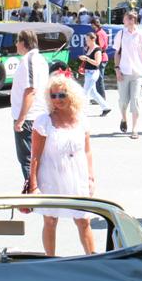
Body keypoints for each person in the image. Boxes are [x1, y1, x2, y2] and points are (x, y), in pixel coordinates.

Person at [27, 74, 97, 255]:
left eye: (62, 94)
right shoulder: (43, 121)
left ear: (71, 95)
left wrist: (90, 176)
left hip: (78, 177)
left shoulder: (82, 119)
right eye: (53, 96)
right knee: (50, 220)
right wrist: (33, 185)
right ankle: (50, 261)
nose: (57, 99)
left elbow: (87, 151)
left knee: (83, 220)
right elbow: (35, 156)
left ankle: (94, 259)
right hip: (51, 176)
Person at [10, 29, 50, 184]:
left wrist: (21, 119)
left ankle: (33, 193)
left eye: (16, 41)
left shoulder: (30, 60)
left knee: (27, 159)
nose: (15, 45)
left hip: (30, 117)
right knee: (34, 158)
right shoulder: (39, 59)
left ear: (22, 42)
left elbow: (30, 90)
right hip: (34, 115)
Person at [113, 11, 142, 138]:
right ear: (124, 20)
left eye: (132, 19)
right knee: (123, 102)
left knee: (136, 101)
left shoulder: (141, 34)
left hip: (137, 73)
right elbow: (117, 53)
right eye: (127, 18)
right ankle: (124, 119)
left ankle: (134, 129)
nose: (129, 21)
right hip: (124, 71)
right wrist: (117, 69)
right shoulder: (121, 34)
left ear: (135, 20)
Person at [76, 32, 111, 116]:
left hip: (93, 73)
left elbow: (97, 63)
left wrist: (87, 58)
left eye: (87, 40)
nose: (86, 42)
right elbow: (88, 60)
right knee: (93, 93)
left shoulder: (97, 49)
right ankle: (106, 107)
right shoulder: (88, 48)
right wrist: (84, 59)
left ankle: (83, 112)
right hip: (88, 72)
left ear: (93, 40)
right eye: (86, 40)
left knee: (85, 92)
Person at [90, 18, 110, 101]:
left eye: (92, 24)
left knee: (99, 79)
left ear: (94, 24)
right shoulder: (102, 32)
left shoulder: (99, 34)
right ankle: (99, 97)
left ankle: (101, 98)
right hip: (102, 57)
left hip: (101, 58)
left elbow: (100, 46)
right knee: (98, 79)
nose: (91, 26)